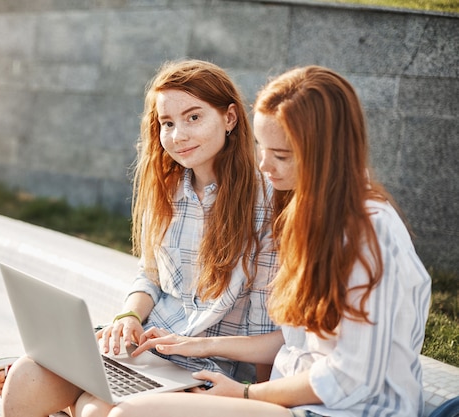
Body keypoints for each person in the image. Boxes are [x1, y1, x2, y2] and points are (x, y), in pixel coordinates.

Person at [102, 65, 432, 417]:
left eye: (281, 155)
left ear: (328, 152)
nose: (264, 165)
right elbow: (294, 341)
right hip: (290, 398)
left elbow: (350, 380)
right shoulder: (311, 214)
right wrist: (199, 346)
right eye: (262, 148)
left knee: (126, 414)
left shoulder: (369, 232)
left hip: (342, 411)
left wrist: (246, 395)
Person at [0, 59, 279, 416]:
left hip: (211, 370)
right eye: (167, 123)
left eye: (193, 117)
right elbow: (151, 275)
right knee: (25, 380)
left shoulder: (267, 203)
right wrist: (129, 316)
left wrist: (258, 396)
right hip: (148, 350)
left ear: (230, 118)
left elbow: (268, 329)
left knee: (94, 410)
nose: (179, 136)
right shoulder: (169, 190)